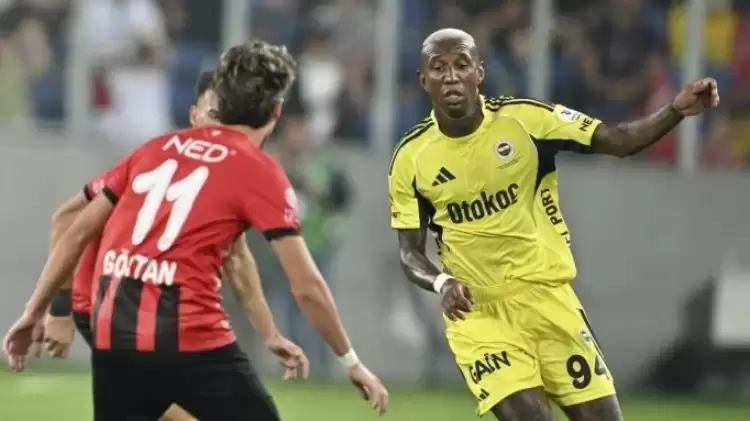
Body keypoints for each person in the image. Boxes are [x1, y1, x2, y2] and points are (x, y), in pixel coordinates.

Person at [4, 40, 388, 421]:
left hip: (112, 336)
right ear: (276, 111)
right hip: (188, 335)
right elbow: (306, 286)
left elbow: (76, 230)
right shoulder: (259, 171)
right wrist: (350, 360)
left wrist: (34, 311)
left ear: (218, 103)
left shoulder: (155, 148)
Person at [388, 28, 718, 421]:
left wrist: (674, 111)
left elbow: (617, 140)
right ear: (423, 80)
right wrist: (442, 283)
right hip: (479, 315)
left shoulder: (526, 120)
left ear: (480, 72)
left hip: (547, 298)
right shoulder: (411, 158)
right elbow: (409, 253)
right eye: (438, 68)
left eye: (461, 65)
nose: (451, 77)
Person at [39, 71, 308, 421]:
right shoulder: (153, 162)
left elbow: (238, 259)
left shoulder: (219, 185)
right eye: (214, 115)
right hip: (106, 305)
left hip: (158, 315)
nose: (223, 129)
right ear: (194, 116)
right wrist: (60, 309)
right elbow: (65, 218)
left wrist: (269, 333)